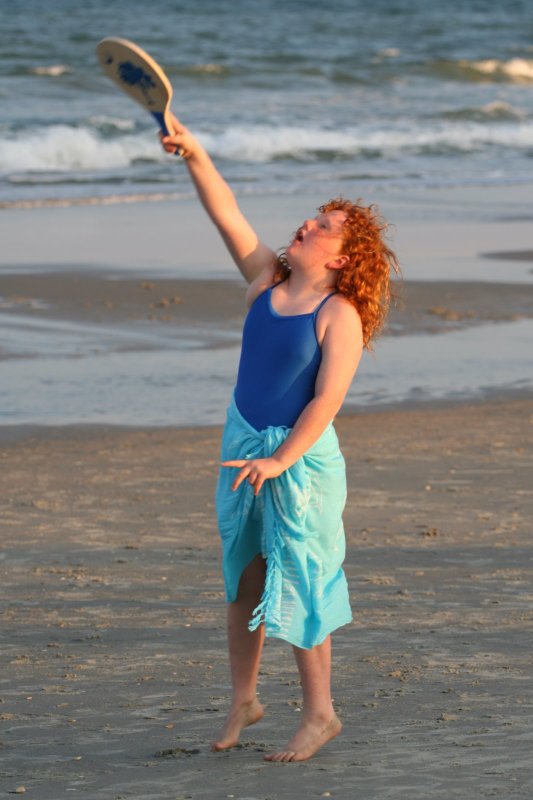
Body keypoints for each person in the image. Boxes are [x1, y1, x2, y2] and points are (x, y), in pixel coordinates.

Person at [161, 112, 399, 762]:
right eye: (311, 215)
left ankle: (320, 713)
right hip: (243, 443)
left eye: (323, 226)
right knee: (244, 574)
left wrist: (280, 459)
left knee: (301, 577)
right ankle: (244, 697)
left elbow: (326, 402)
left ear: (342, 257)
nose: (307, 224)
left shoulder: (338, 314)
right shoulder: (266, 283)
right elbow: (227, 216)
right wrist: (195, 155)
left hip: (299, 458)